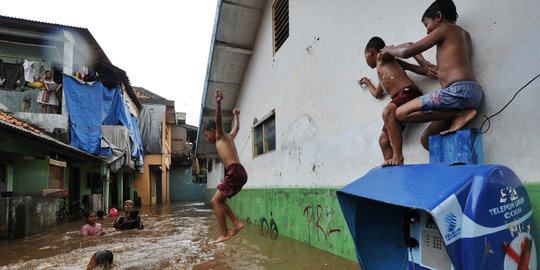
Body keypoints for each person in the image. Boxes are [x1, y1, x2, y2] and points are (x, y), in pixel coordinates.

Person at [380, 0, 484, 148]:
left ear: (439, 16)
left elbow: (407, 51)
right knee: (427, 140)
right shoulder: (464, 35)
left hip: (458, 92)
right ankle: (451, 166)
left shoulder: (445, 29)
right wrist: (423, 67)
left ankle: (458, 114)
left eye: (427, 25)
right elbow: (454, 65)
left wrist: (388, 50)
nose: (427, 31)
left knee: (401, 113)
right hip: (473, 94)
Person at [359, 37, 433, 166]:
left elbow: (409, 45)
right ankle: (395, 170)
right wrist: (367, 82)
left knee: (387, 112)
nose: (366, 61)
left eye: (365, 57)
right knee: (383, 141)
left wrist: (425, 65)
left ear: (371, 52)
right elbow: (377, 94)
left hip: (408, 93)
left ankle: (397, 157)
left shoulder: (384, 56)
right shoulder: (382, 71)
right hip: (399, 100)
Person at [203, 89, 247, 244]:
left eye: (206, 134)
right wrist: (236, 116)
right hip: (240, 172)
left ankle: (224, 232)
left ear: (213, 131)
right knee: (221, 200)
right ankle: (236, 223)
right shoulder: (229, 137)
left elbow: (219, 121)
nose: (206, 137)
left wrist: (218, 102)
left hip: (234, 171)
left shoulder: (220, 136)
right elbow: (237, 129)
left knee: (215, 201)